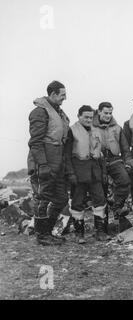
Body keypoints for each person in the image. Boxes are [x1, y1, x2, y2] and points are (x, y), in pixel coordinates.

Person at [28, 81, 70, 246]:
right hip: (44, 161)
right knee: (42, 198)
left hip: (58, 161)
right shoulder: (40, 112)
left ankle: (48, 231)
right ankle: (41, 235)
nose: (64, 98)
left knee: (61, 198)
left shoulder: (58, 112)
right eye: (62, 95)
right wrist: (42, 164)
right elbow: (35, 142)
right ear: (52, 94)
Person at [65, 105, 111, 243]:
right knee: (77, 202)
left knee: (100, 200)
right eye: (85, 117)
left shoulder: (96, 131)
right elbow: (66, 155)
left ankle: (100, 232)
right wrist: (70, 174)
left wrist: (103, 172)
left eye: (91, 117)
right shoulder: (71, 131)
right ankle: (79, 234)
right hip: (79, 171)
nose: (88, 120)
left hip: (95, 171)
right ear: (79, 116)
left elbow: (101, 154)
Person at [92, 102, 133, 230]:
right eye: (105, 113)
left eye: (110, 113)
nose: (108, 116)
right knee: (100, 193)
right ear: (99, 112)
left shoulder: (117, 128)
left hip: (114, 159)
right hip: (98, 161)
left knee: (125, 180)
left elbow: (125, 148)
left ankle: (117, 207)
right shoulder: (90, 127)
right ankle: (101, 228)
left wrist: (129, 163)